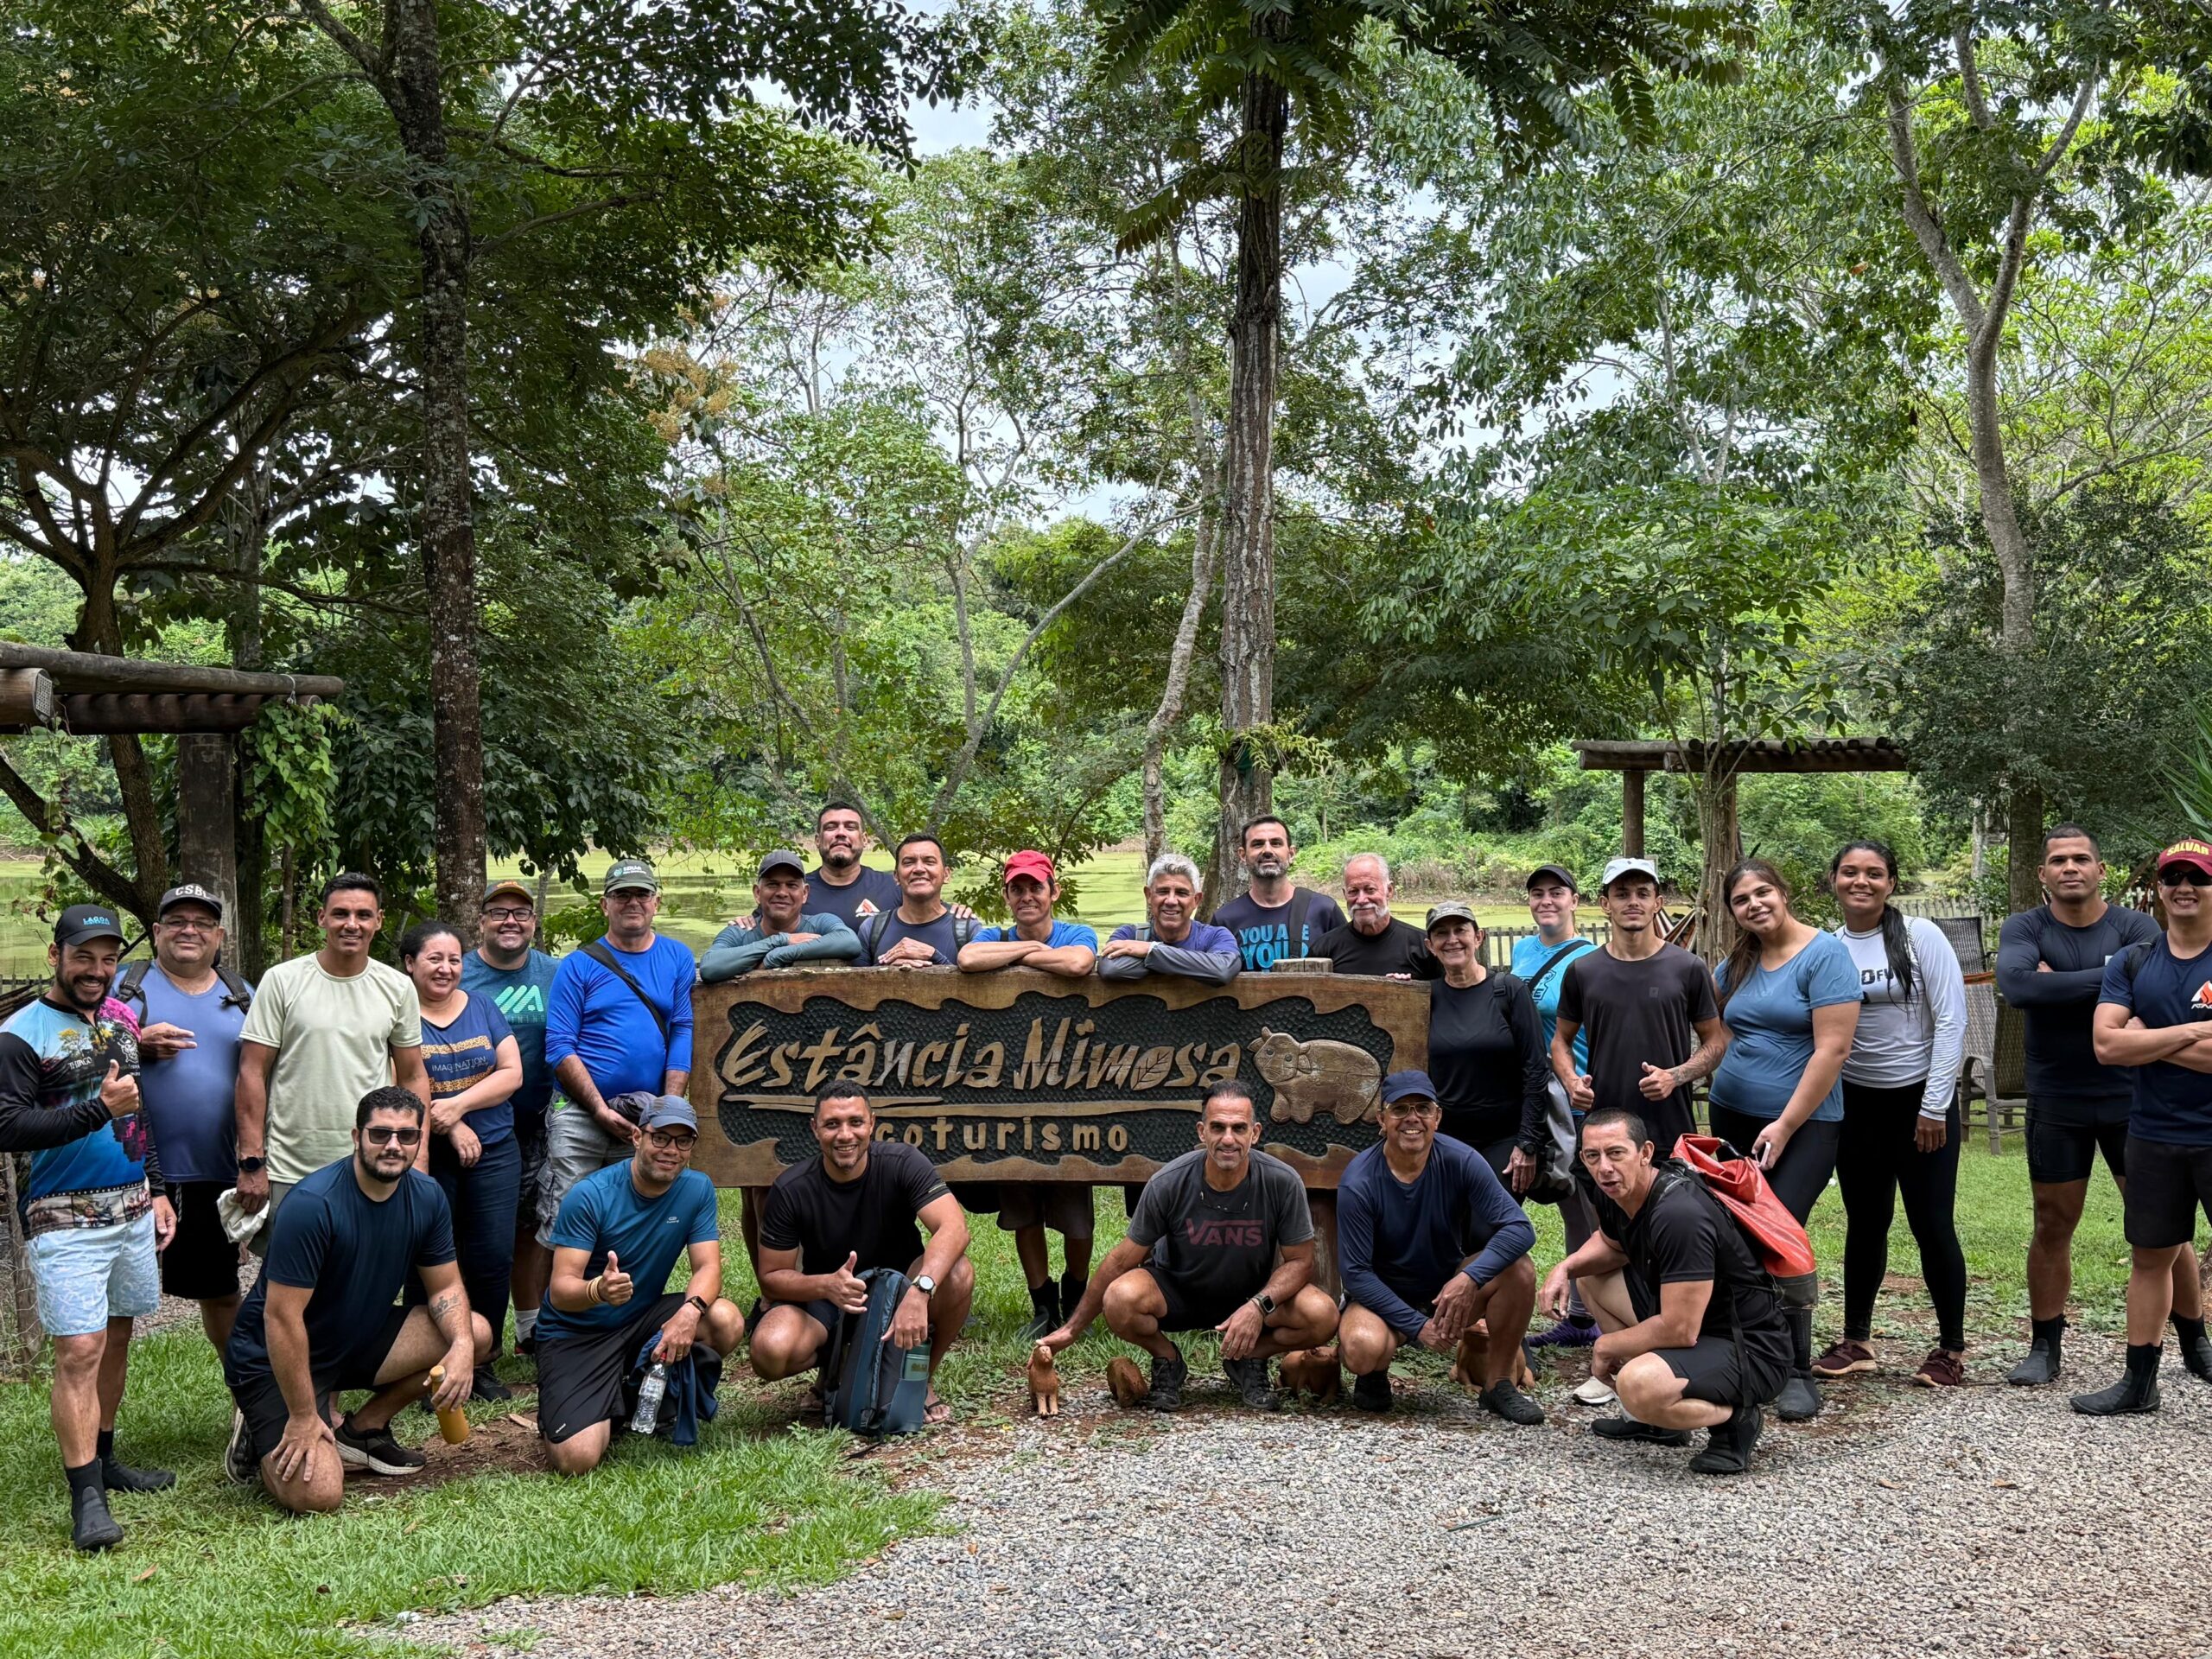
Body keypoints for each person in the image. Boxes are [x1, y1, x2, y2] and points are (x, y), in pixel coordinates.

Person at [221, 1087, 492, 1514]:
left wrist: (459, 1347)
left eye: (406, 1136)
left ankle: (364, 1429)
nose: (392, 1146)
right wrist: (304, 1415)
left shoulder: (427, 1196)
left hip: (353, 1341)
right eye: (380, 1134)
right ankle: (259, 1428)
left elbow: (444, 1289)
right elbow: (281, 1317)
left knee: (474, 1333)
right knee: (321, 1494)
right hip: (274, 1356)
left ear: (420, 1140)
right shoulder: (313, 1205)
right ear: (355, 1137)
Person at [0, 906, 175, 1549]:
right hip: (61, 1214)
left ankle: (105, 1460)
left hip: (131, 1208)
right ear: (55, 956)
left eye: (107, 959)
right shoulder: (22, 1034)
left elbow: (138, 1114)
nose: (97, 970)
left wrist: (157, 1189)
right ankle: (87, 1500)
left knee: (118, 1337)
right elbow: (7, 1128)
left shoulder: (120, 1023)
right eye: (84, 957)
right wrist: (98, 1107)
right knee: (79, 1352)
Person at [1994, 824, 2179, 1386]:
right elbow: (2021, 989)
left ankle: (2196, 1339)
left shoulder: (2137, 925)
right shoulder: (2026, 927)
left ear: (2100, 871)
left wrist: (2062, 981)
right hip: (2057, 1100)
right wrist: (2114, 977)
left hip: (2134, 1099)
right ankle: (2045, 1344)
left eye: (2081, 859)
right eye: (2058, 860)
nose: (2070, 867)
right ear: (2043, 874)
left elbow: (2155, 988)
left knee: (2164, 1229)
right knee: (2052, 1222)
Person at [1039, 1082, 1338, 1411]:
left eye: (1239, 1128)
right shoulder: (1169, 1182)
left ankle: (1250, 1358)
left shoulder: (1282, 1181)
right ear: (1201, 1131)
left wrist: (1258, 1306)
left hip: (1250, 1296)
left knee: (1321, 1314)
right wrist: (1071, 1329)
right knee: (1120, 1298)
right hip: (1178, 1293)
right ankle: (1167, 1359)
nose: (1228, 1139)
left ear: (1254, 1133)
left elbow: (1300, 1262)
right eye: (1218, 1127)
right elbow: (1122, 1260)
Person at [1541, 1107, 1791, 1474]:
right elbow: (1612, 1246)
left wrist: (1605, 1345)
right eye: (1593, 1156)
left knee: (1637, 1385)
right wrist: (1565, 1267)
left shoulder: (1678, 1214)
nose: (1604, 1167)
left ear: (1644, 1153)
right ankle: (1659, 1422)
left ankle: (1734, 1421)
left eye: (1616, 1153)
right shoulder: (1614, 1193)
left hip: (1751, 1348)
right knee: (1593, 1278)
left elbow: (1679, 1329)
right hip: (1696, 1329)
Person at [1814, 841, 1972, 1389]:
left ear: (1891, 882)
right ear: (1832, 879)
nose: (1862, 881)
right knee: (1866, 1220)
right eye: (1850, 872)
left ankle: (1951, 1348)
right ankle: (1857, 1340)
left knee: (1932, 1224)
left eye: (1874, 873)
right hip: (1856, 1104)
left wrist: (1934, 1104)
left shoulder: (1919, 937)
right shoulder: (1827, 948)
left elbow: (1952, 1021)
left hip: (1920, 1104)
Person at [1707, 859, 1860, 1422]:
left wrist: (1787, 1123)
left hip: (1805, 1125)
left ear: (1784, 890)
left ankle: (1796, 1369)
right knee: (1733, 1235)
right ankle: (1744, 1348)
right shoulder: (1738, 963)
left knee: (1780, 1233)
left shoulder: (1825, 957)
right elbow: (1718, 1028)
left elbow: (1832, 1050)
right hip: (1731, 1116)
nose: (1754, 905)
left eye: (1762, 891)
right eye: (1741, 899)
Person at [2072, 836, 2212, 1414]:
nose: (2184, 888)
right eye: (2172, 878)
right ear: (2158, 889)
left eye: (2197, 878)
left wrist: (2145, 1039)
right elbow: (2106, 1045)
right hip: (2153, 1133)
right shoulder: (2136, 960)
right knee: (2150, 1256)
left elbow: (2125, 1041)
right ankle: (2139, 1384)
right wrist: (2190, 1033)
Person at [536, 1096, 742, 1471]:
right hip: (577, 1333)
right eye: (660, 1138)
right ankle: (579, 1401)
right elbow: (561, 1291)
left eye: (683, 1141)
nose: (671, 1150)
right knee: (576, 1458)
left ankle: (631, 1387)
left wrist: (689, 1313)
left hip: (640, 1319)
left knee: (724, 1319)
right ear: (636, 1136)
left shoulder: (696, 1189)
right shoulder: (591, 1196)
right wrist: (598, 1289)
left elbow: (709, 1267)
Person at [751, 1084, 975, 1423]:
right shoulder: (791, 1188)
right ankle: (833, 1369)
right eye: (832, 1124)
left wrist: (920, 1291)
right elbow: (771, 1278)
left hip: (902, 1288)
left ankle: (920, 1377)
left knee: (957, 1272)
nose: (845, 1135)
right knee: (770, 1350)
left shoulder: (903, 1162)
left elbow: (954, 1228)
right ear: (815, 1128)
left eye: (855, 1122)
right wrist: (827, 1286)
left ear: (872, 1123)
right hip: (829, 1300)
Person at [1335, 1070, 1542, 1422]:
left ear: (1438, 1117)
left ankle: (1498, 1385)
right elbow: (1356, 1274)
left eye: (1422, 1108)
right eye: (1400, 1109)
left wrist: (1471, 1277)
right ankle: (1373, 1375)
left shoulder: (1461, 1160)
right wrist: (1418, 1327)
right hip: (1382, 1297)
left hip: (1447, 1289)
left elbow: (1520, 1228)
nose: (1412, 1118)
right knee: (1362, 1348)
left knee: (1519, 1269)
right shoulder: (1359, 1180)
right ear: (1381, 1119)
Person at [953, 849, 1101, 1337]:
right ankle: (1043, 1306)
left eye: (1036, 887)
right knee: (1022, 1213)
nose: (1027, 896)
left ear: (1053, 891)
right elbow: (969, 958)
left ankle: (1075, 1295)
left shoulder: (1076, 933)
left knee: (1077, 1220)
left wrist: (1021, 956)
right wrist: (1030, 952)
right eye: (1017, 888)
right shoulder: (991, 936)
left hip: (1069, 1096)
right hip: (1007, 1097)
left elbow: (1080, 963)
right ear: (1007, 895)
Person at [235, 873, 429, 1235]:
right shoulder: (282, 980)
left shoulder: (398, 987)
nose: (351, 924)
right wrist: (251, 1161)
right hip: (290, 1165)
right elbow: (252, 1072)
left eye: (363, 915)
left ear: (379, 921)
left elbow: (414, 1075)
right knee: (287, 1282)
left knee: (362, 1278)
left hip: (369, 1161)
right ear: (322, 918)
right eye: (340, 914)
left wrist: (419, 1157)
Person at [119, 882, 254, 1352]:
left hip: (211, 1169)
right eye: (177, 921)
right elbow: (82, 1058)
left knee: (219, 1294)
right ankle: (99, 1423)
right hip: (126, 1170)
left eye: (201, 923)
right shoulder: (124, 987)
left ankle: (251, 1404)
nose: (188, 930)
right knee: (116, 1313)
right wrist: (135, 1043)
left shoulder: (242, 996)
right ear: (157, 932)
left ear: (219, 936)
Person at [539, 859, 695, 1247]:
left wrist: (669, 1108)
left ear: (655, 902)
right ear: (604, 905)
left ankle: (622, 1306)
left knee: (630, 1221)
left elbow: (682, 1029)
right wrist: (598, 1109)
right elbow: (559, 1046)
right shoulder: (577, 965)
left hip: (646, 1116)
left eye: (641, 894)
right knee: (566, 1218)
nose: (632, 902)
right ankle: (553, 1308)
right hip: (579, 1113)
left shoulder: (676, 958)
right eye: (621, 895)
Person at [401, 921, 524, 1400]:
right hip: (426, 1155)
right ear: (410, 964)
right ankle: (424, 1367)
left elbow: (512, 1072)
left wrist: (458, 1106)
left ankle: (481, 1359)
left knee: (493, 1257)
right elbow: (398, 1081)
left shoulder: (484, 1007)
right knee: (429, 1260)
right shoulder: (399, 1015)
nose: (446, 969)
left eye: (454, 960)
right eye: (434, 959)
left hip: (496, 1151)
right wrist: (449, 1125)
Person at [1552, 857, 1727, 1156]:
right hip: (1605, 1128)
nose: (1633, 902)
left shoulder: (1688, 968)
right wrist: (1571, 1082)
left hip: (1670, 1127)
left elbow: (1715, 1042)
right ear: (1605, 904)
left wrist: (1676, 1076)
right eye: (1622, 894)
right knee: (1605, 1201)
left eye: (1643, 893)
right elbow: (1560, 1042)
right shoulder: (1583, 971)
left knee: (1673, 1204)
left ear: (1657, 902)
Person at [461, 880, 560, 1356]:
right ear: (481, 922)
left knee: (530, 1226)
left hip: (535, 1122)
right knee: (472, 1233)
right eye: (498, 912)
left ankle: (528, 1327)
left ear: (533, 923)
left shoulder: (554, 973)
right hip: (469, 1123)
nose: (510, 921)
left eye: (520, 913)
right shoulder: (457, 974)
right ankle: (471, 1333)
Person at [1510, 864, 1605, 1349]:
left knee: (1594, 1210)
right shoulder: (1523, 951)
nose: (1547, 900)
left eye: (1556, 893)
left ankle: (1604, 1316)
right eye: (1538, 893)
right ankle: (1582, 1320)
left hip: (1577, 1095)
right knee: (1569, 1206)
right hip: (1536, 1096)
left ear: (1574, 900)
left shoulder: (1590, 959)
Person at [1422, 902, 1550, 1185]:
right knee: (1449, 1224)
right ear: (1430, 945)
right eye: (1442, 933)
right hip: (1446, 1140)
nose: (1452, 939)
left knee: (1489, 1225)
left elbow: (1536, 1069)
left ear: (1478, 937)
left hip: (1505, 1139)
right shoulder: (1425, 998)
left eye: (1460, 930)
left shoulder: (1509, 991)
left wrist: (1528, 1141)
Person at [699, 849, 861, 982]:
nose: (782, 893)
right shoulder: (739, 931)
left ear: (804, 893)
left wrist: (776, 956)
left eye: (791, 885)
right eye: (773, 884)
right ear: (757, 893)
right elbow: (709, 967)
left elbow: (849, 942)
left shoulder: (821, 923)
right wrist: (780, 941)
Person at [1211, 817, 1345, 973]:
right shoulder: (1225, 920)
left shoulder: (1324, 910)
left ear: (1291, 853)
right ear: (1242, 855)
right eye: (1257, 844)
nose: (1267, 850)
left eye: (1276, 843)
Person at [1096, 854, 1242, 984]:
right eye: (1163, 891)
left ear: (1196, 900)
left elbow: (1222, 969)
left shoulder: (1215, 936)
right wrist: (1198, 967)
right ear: (1149, 895)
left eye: (1181, 893)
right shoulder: (1128, 935)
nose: (1171, 901)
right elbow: (1111, 968)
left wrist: (1150, 950)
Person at [856, 834, 977, 965]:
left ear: (946, 875)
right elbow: (857, 982)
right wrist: (887, 971)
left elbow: (980, 984)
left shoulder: (967, 928)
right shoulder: (872, 929)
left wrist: (935, 957)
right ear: (896, 876)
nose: (919, 869)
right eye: (909, 863)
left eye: (929, 862)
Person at [1311, 854, 1436, 977]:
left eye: (1370, 889)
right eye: (1353, 891)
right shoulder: (1324, 949)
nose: (1361, 900)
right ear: (1345, 894)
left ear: (1389, 891)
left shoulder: (1423, 947)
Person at [806, 799, 905, 929]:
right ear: (818, 840)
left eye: (850, 827)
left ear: (864, 839)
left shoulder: (894, 887)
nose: (841, 833)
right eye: (831, 827)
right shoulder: (795, 892)